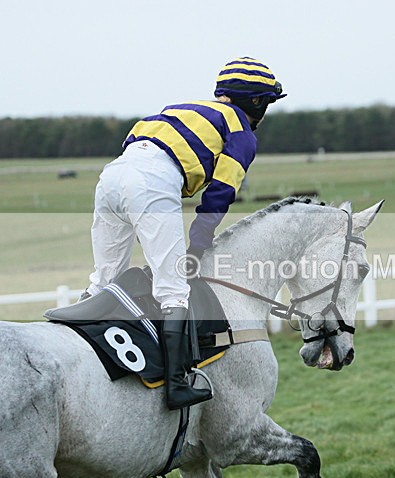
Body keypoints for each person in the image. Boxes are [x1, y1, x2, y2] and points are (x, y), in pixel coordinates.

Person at [83, 57, 286, 409]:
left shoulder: (179, 108)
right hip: (152, 180)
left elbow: (134, 136)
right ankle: (177, 384)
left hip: (113, 175)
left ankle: (83, 358)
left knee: (104, 280)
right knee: (173, 288)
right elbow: (221, 191)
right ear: (258, 102)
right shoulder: (241, 132)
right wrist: (198, 244)